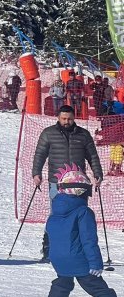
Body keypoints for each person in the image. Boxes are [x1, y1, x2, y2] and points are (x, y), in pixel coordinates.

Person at [33, 165, 123, 297]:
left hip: (59, 259)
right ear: (83, 192)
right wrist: (96, 263)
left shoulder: (54, 213)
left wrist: (53, 255)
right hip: (79, 260)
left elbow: (51, 236)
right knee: (100, 289)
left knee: (63, 282)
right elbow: (89, 240)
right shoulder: (83, 212)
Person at [32, 105, 103, 262]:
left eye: (70, 119)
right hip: (57, 184)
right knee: (57, 216)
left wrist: (97, 174)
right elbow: (40, 154)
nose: (67, 122)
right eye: (64, 119)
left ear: (74, 118)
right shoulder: (48, 133)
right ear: (58, 117)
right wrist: (36, 173)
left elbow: (93, 156)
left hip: (79, 185)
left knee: (80, 217)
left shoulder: (83, 135)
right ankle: (49, 250)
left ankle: (78, 252)